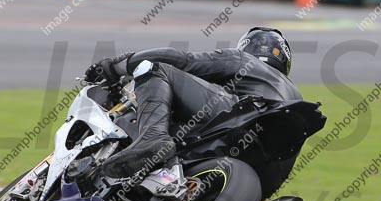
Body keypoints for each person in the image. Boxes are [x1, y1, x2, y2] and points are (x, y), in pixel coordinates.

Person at [84, 27, 301, 179]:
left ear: (246, 47)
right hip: (268, 174)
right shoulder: (295, 95)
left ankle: (152, 137)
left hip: (240, 114)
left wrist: (115, 66)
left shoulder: (243, 60)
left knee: (154, 69)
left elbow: (184, 61)